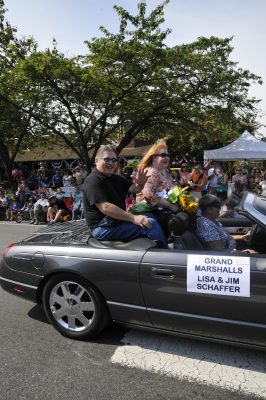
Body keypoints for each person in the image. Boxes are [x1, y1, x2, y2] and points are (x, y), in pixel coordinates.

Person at [83, 144, 167, 248]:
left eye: (114, 160)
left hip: (116, 222)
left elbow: (133, 189)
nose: (111, 163)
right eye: (107, 159)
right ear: (96, 161)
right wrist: (134, 218)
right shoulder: (92, 181)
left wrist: (140, 183)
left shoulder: (115, 177)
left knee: (150, 216)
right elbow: (105, 208)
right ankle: (165, 256)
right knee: (150, 223)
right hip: (102, 228)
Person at [136, 139, 181, 236]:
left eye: (168, 155)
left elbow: (175, 190)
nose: (167, 158)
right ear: (153, 158)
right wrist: (170, 206)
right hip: (151, 212)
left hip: (166, 211)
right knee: (179, 221)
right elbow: (148, 194)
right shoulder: (151, 172)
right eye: (163, 155)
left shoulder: (167, 173)